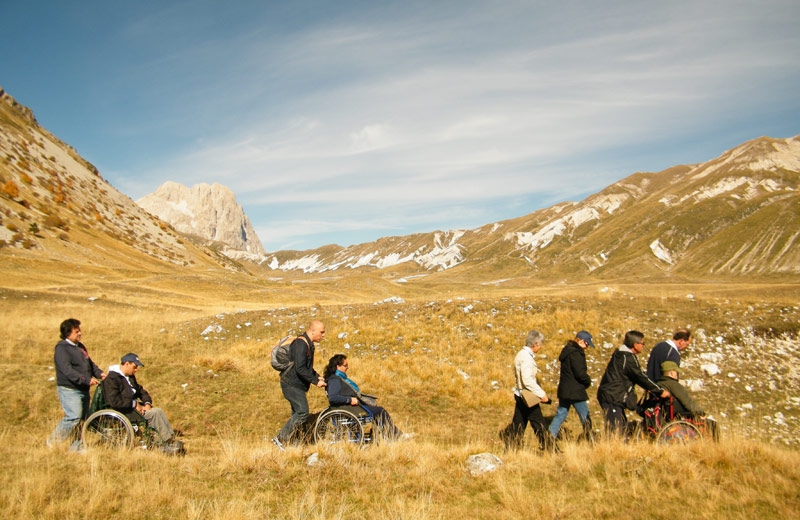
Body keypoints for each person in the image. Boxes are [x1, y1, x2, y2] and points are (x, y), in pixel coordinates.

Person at [597, 330, 669, 437]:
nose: (643, 346)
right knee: (615, 431)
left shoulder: (622, 354)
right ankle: (612, 450)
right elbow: (640, 376)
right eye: (642, 343)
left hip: (612, 396)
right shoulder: (627, 357)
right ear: (635, 345)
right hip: (612, 397)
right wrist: (659, 390)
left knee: (621, 428)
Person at [47, 318, 106, 451]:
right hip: (69, 389)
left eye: (80, 331)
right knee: (73, 416)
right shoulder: (62, 348)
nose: (80, 333)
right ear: (68, 333)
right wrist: (86, 380)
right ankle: (53, 441)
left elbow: (90, 364)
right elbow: (67, 370)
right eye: (76, 331)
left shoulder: (80, 347)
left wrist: (100, 374)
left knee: (82, 419)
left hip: (83, 389)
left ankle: (77, 447)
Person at [103, 353, 180, 446]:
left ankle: (170, 438)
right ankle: (166, 441)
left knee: (158, 411)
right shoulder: (112, 379)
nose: (136, 370)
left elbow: (140, 391)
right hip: (123, 410)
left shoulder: (129, 377)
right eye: (134, 367)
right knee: (154, 414)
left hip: (132, 407)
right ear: (127, 364)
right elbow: (114, 401)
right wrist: (134, 404)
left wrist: (147, 403)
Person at [272, 320, 327, 450]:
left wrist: (317, 376)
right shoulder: (301, 344)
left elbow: (306, 367)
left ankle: (294, 442)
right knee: (302, 412)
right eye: (322, 332)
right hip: (291, 384)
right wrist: (315, 381)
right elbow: (300, 368)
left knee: (296, 414)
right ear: (313, 330)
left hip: (296, 385)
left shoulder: (308, 343)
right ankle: (280, 439)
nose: (323, 335)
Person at [323, 354, 404, 439]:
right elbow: (333, 398)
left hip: (350, 407)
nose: (348, 367)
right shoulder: (335, 380)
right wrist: (349, 399)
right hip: (349, 408)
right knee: (380, 411)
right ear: (338, 366)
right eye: (345, 365)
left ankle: (386, 433)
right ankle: (394, 435)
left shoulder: (337, 378)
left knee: (375, 409)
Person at [505, 330, 556, 451]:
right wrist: (541, 394)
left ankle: (512, 448)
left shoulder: (521, 354)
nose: (541, 347)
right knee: (539, 423)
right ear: (535, 344)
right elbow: (527, 380)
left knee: (519, 423)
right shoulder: (526, 358)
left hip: (520, 394)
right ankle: (551, 449)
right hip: (527, 395)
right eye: (540, 344)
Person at [548, 330, 595, 442]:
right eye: (587, 343)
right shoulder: (576, 353)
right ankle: (591, 440)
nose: (587, 346)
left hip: (565, 390)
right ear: (581, 341)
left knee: (561, 414)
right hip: (576, 392)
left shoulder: (567, 351)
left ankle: (549, 438)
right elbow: (580, 374)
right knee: (585, 416)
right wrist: (587, 381)